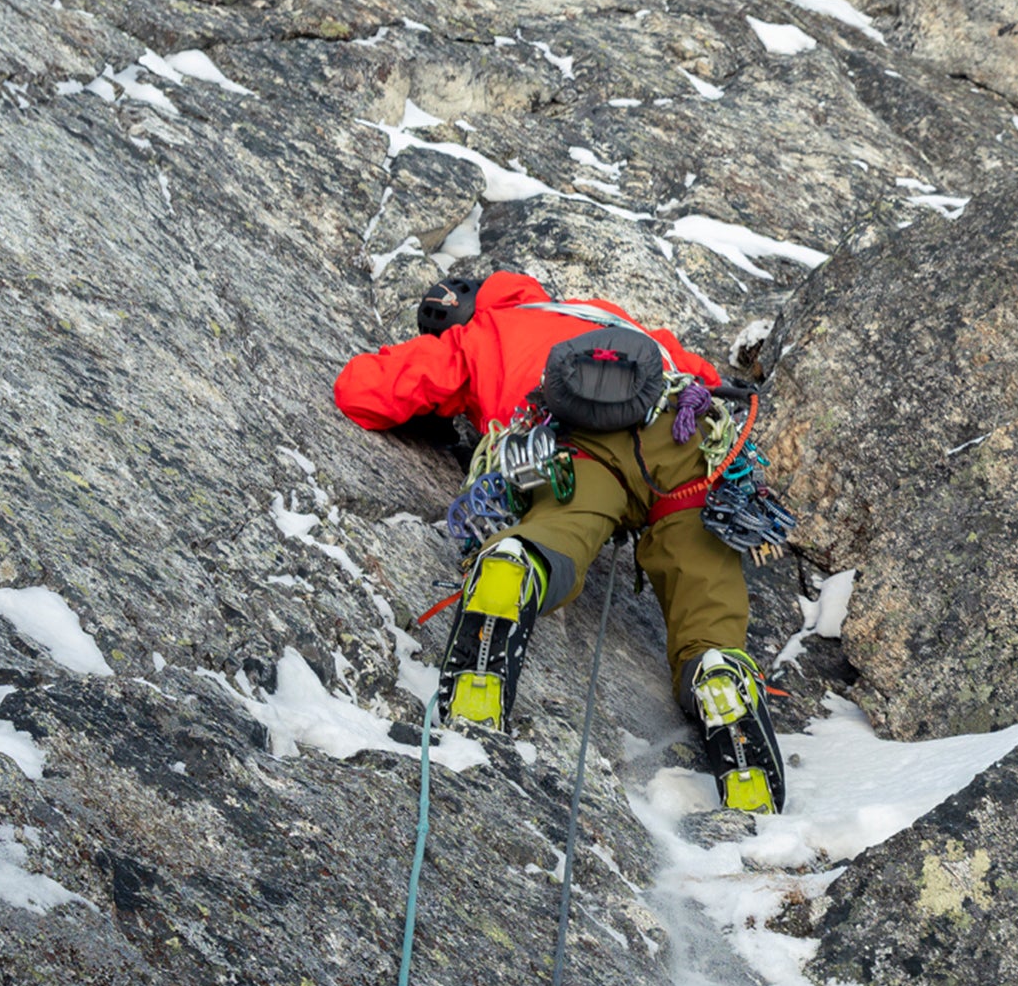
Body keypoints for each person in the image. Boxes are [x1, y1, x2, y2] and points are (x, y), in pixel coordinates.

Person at [333, 268, 788, 813]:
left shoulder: (480, 334)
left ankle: (518, 560)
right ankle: (717, 668)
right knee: (702, 579)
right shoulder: (599, 315)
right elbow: (703, 377)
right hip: (681, 431)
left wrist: (447, 393)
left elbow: (363, 391)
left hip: (575, 436)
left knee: (561, 528)